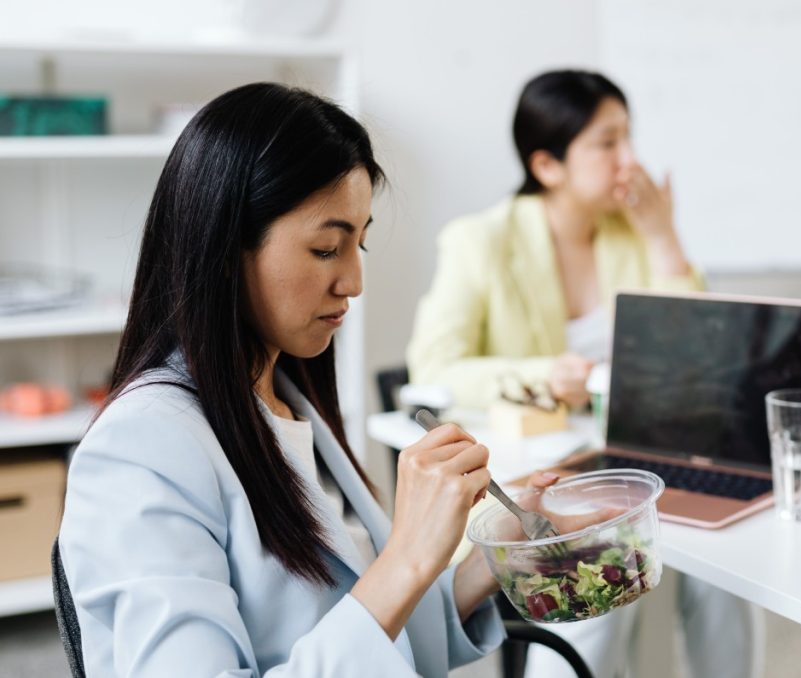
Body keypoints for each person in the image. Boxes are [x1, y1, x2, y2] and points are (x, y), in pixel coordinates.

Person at [59, 82, 525, 677]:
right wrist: (406, 557)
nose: (354, 281)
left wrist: (499, 554)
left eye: (360, 243)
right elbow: (371, 608)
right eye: (327, 248)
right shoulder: (144, 447)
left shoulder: (286, 404)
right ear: (226, 249)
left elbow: (374, 630)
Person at [407, 70, 763, 678]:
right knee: (598, 570)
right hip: (537, 471)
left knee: (726, 569)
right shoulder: (480, 241)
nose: (630, 161)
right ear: (547, 165)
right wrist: (547, 374)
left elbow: (699, 351)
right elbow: (434, 367)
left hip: (630, 456)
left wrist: (662, 233)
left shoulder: (631, 233)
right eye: (607, 143)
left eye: (629, 138)